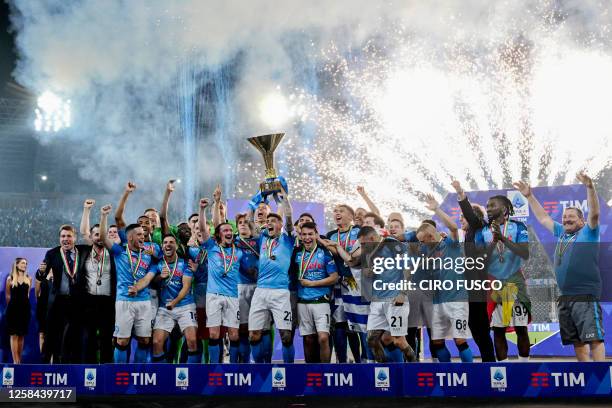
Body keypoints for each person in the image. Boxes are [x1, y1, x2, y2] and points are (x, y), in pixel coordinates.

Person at [514, 172, 605, 361]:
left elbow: (595, 213)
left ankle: (602, 379)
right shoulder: (562, 234)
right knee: (577, 342)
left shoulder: (589, 233)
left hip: (585, 295)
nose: (566, 220)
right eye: (564, 217)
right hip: (565, 297)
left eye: (571, 217)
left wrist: (590, 187)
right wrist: (529, 196)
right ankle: (589, 378)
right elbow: (544, 218)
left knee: (594, 339)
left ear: (582, 221)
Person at [417, 194, 473, 363]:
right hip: (437, 302)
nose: (421, 244)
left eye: (422, 241)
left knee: (459, 339)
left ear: (431, 237)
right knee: (437, 341)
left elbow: (454, 228)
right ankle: (446, 373)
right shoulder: (425, 254)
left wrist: (436, 210)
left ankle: (470, 374)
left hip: (457, 300)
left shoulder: (450, 244)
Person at [474, 194, 530, 362]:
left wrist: (503, 239)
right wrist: (493, 243)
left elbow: (525, 253)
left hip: (515, 281)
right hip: (495, 284)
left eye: (492, 205)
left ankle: (524, 367)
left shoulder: (519, 226)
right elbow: (479, 260)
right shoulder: (482, 232)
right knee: (499, 330)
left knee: (521, 328)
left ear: (504, 209)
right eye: (487, 206)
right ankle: (503, 371)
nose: (488, 209)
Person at [100, 205, 156, 363]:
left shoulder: (149, 255)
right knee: (122, 341)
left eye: (143, 234)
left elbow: (149, 277)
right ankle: (120, 377)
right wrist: (104, 216)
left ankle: (138, 376)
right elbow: (104, 238)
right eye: (139, 234)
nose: (143, 236)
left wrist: (138, 287)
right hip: (124, 301)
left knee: (145, 340)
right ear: (130, 237)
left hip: (144, 301)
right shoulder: (120, 252)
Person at [248, 187, 296, 363]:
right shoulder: (262, 239)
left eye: (274, 221)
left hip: (280, 292)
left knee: (286, 336)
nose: (269, 223)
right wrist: (255, 201)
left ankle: (290, 373)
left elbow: (289, 218)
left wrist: (285, 200)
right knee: (254, 335)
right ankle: (260, 369)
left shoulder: (288, 239)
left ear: (280, 225)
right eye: (267, 221)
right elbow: (249, 221)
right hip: (260, 292)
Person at [451, 180, 496, 362]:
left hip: (477, 286)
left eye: (463, 217)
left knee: (481, 328)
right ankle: (488, 363)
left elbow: (470, 214)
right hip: (468, 287)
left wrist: (461, 194)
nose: (461, 219)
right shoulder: (469, 236)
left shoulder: (478, 227)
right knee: (475, 327)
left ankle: (490, 366)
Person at [199, 198, 246, 363]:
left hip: (232, 296)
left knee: (234, 334)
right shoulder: (212, 247)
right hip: (213, 295)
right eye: (225, 230)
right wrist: (202, 209)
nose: (228, 232)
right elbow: (203, 230)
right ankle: (214, 367)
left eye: (230, 230)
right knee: (213, 334)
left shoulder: (238, 252)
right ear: (219, 235)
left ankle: (233, 368)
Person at [359, 226, 416, 362]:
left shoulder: (391, 244)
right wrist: (368, 272)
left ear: (372, 238)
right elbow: (369, 272)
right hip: (377, 300)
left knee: (398, 341)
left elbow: (409, 267)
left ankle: (415, 370)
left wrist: (403, 293)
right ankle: (385, 373)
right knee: (372, 340)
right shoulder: (370, 251)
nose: (362, 247)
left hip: (395, 299)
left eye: (363, 243)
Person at [37, 224, 88, 363]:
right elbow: (42, 276)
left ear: (75, 238)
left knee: (75, 337)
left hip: (77, 303)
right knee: (52, 338)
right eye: (63, 236)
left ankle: (73, 370)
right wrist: (41, 272)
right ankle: (46, 369)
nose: (66, 239)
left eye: (69, 236)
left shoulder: (83, 252)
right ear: (59, 238)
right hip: (58, 302)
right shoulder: (52, 253)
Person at [290, 222, 338, 362]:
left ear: (316, 235)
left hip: (321, 300)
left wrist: (313, 283)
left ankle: (325, 371)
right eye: (304, 234)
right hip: (302, 301)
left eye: (310, 234)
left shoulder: (324, 253)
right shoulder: (297, 254)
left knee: (323, 338)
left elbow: (334, 277)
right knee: (309, 339)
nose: (307, 237)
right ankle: (310, 372)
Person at [151, 234, 199, 363]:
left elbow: (186, 286)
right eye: (165, 242)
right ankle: (164, 377)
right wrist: (160, 277)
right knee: (156, 342)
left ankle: (192, 377)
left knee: (192, 340)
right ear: (162, 247)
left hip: (185, 305)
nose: (168, 244)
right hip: (164, 307)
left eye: (171, 242)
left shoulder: (185, 263)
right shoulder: (157, 265)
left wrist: (174, 302)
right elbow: (153, 282)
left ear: (176, 246)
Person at [325, 204, 362, 363]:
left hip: (358, 283)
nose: (337, 213)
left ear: (351, 216)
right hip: (339, 285)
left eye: (341, 211)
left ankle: (362, 362)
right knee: (339, 324)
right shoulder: (331, 234)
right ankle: (342, 361)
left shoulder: (359, 231)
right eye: (335, 211)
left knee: (358, 324)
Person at [81, 221, 116, 363]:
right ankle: (90, 370)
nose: (99, 237)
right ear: (91, 237)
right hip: (89, 300)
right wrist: (87, 209)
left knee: (107, 337)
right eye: (96, 234)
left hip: (108, 301)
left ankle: (106, 369)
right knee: (89, 337)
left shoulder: (114, 253)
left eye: (102, 234)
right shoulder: (83, 253)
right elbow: (83, 230)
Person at [5, 258, 32, 364]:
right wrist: (11, 307)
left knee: (21, 335)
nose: (24, 265)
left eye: (26, 263)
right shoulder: (10, 278)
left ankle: (19, 360)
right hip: (13, 310)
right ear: (16, 265)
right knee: (14, 335)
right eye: (22, 263)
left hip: (25, 310)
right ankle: (15, 361)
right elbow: (7, 295)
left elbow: (28, 295)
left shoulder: (29, 278)